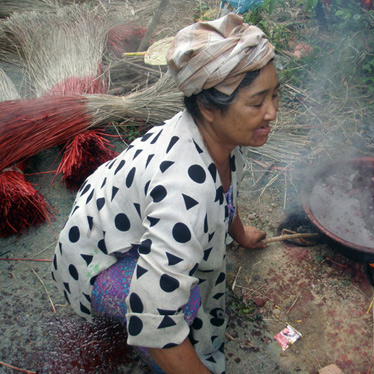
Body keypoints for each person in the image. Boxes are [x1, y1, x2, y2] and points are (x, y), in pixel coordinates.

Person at [51, 13, 279, 374]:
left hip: (115, 225)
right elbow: (154, 324)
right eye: (257, 102)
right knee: (181, 303)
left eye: (274, 95)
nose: (272, 113)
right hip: (94, 261)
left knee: (179, 275)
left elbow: (225, 193)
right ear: (207, 107)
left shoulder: (220, 135)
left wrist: (241, 233)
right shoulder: (184, 195)